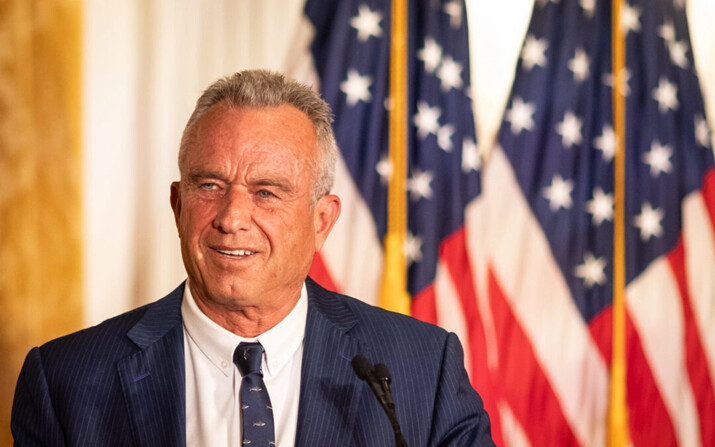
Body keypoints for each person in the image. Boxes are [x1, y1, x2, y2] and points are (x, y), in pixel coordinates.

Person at [12, 70, 495, 446]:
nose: (232, 217)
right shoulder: (65, 382)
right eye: (210, 186)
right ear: (178, 206)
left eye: (266, 192)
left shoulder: (422, 370)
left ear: (321, 221)